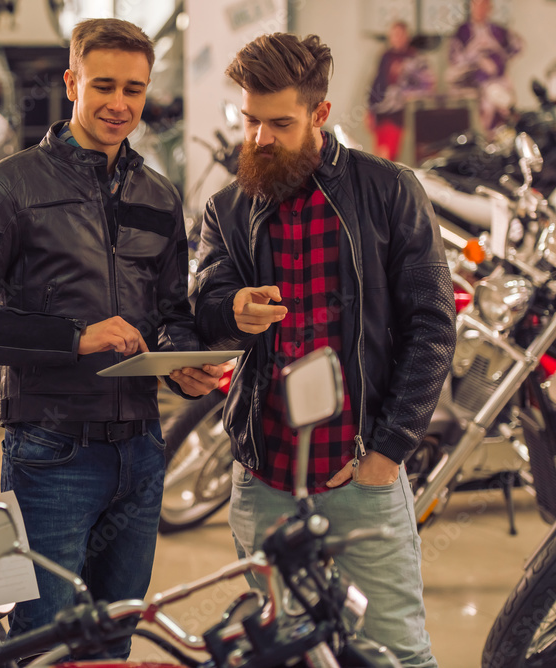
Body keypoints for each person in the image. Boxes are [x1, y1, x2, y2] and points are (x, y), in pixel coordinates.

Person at [0, 18, 223, 659]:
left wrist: (181, 363)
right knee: (41, 645)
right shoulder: (6, 187)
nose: (120, 104)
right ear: (71, 82)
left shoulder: (158, 196)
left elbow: (171, 314)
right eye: (104, 86)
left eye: (134, 89)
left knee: (111, 642)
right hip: (50, 453)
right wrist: (74, 338)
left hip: (141, 451)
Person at [194, 32, 455, 668]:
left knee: (392, 653)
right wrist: (231, 309)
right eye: (251, 120)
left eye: (280, 123)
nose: (260, 138)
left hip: (360, 474)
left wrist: (387, 453)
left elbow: (432, 325)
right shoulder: (228, 207)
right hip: (264, 477)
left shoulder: (389, 191)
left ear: (320, 113)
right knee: (282, 652)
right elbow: (205, 302)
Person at [446, 0, 522, 133]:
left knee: (503, 104)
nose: (480, 9)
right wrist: (476, 62)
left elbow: (517, 46)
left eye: (483, 6)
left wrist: (498, 61)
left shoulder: (498, 31)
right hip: (469, 82)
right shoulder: (463, 32)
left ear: (489, 8)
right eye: (476, 5)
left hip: (494, 81)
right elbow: (454, 57)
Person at [366, 21, 435, 161]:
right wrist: (369, 109)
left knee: (388, 153)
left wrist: (409, 93)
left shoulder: (415, 58)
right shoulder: (385, 56)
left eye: (400, 35)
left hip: (398, 113)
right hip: (381, 111)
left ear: (407, 37)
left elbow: (429, 84)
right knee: (379, 154)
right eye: (394, 35)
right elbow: (377, 83)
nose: (397, 38)